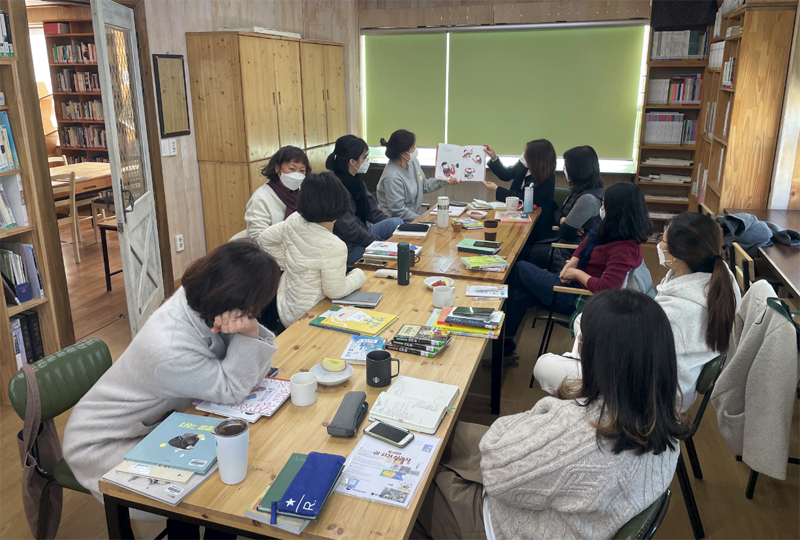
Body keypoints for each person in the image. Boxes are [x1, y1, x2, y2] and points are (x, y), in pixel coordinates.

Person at [417, 289, 685, 540]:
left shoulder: (580, 433)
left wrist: (543, 415)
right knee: (442, 432)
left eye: (582, 339)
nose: (578, 342)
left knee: (416, 484)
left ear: (598, 357)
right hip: (561, 508)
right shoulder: (664, 421)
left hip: (505, 523)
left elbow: (496, 473)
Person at [62, 241, 280, 535]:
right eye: (253, 309)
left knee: (227, 462)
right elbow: (233, 388)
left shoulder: (202, 302)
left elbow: (246, 371)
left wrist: (247, 328)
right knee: (217, 483)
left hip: (154, 425)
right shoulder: (170, 347)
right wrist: (251, 330)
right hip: (104, 444)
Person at [534, 212, 741, 411]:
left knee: (544, 365)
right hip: (665, 371)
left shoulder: (678, 312)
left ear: (677, 255)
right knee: (582, 320)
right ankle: (582, 371)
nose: (659, 245)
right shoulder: (718, 277)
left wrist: (594, 347)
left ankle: (589, 391)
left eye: (662, 240)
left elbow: (634, 354)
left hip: (648, 393)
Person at [502, 182, 652, 360]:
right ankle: (504, 347)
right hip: (573, 284)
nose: (601, 208)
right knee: (520, 290)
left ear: (617, 210)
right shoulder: (609, 230)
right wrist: (569, 266)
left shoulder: (624, 248)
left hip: (579, 297)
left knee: (519, 268)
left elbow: (607, 287)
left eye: (604, 205)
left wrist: (575, 274)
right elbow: (584, 245)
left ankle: (502, 345)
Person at [256, 172, 367, 333]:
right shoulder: (334, 246)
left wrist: (290, 264)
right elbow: (335, 291)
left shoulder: (293, 220)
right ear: (341, 204)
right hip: (314, 314)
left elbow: (264, 239)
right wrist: (359, 275)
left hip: (286, 307)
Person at [327, 134, 404, 265]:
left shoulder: (355, 180)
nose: (366, 160)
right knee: (394, 252)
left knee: (396, 223)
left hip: (362, 232)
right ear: (352, 161)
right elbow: (350, 230)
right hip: (347, 246)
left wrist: (385, 238)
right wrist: (379, 242)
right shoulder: (333, 186)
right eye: (364, 157)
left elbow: (373, 211)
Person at [528, 146, 605, 270]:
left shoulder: (588, 199)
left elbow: (566, 232)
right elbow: (558, 211)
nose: (565, 170)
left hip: (567, 252)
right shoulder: (579, 190)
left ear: (577, 170)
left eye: (567, 167)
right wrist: (563, 220)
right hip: (561, 243)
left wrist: (564, 223)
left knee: (519, 255)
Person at [376, 129, 458, 222]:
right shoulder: (392, 177)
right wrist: (424, 220)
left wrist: (445, 180)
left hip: (416, 219)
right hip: (399, 223)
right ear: (403, 154)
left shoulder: (412, 162)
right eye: (412, 147)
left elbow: (424, 185)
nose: (415, 149)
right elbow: (399, 211)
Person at [482, 139, 557, 241]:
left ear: (535, 158)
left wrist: (497, 189)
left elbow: (524, 198)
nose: (523, 155)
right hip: (517, 215)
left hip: (537, 223)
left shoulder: (547, 177)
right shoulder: (524, 165)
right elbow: (506, 174)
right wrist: (493, 157)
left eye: (526, 153)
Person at [244, 146, 311, 238]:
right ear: (277, 168)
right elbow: (257, 237)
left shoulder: (303, 193)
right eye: (292, 169)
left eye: (302, 170)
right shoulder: (261, 197)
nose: (297, 174)